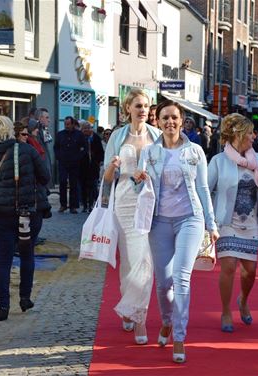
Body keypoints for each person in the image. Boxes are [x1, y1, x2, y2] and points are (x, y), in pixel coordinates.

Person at [133, 100, 219, 363]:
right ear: (157, 121)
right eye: (165, 118)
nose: (170, 122)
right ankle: (167, 321)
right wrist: (137, 181)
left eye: (174, 118)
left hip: (189, 220)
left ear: (182, 121)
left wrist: (211, 224)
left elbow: (203, 189)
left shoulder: (195, 151)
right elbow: (141, 191)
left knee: (182, 279)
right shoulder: (149, 153)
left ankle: (179, 337)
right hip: (158, 221)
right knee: (163, 283)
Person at [208, 113, 258, 336]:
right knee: (228, 267)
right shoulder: (219, 161)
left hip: (249, 223)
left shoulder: (256, 159)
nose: (253, 136)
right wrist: (207, 220)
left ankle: (243, 300)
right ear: (238, 135)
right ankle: (226, 311)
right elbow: (206, 190)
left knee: (250, 272)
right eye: (249, 132)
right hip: (226, 222)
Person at [103, 89, 162, 344]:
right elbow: (105, 178)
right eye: (138, 105)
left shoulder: (157, 136)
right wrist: (113, 168)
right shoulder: (118, 136)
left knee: (146, 261)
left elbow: (164, 169)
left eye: (147, 106)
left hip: (150, 203)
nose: (143, 110)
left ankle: (140, 319)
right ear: (128, 108)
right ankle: (129, 306)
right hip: (124, 203)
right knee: (129, 262)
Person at [0, 115, 50, 321]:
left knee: (4, 260)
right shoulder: (27, 149)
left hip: (0, 215)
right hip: (29, 211)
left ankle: (3, 307)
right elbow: (45, 177)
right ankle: (25, 298)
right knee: (27, 255)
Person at [54, 116, 86, 213]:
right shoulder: (60, 134)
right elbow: (56, 147)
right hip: (63, 162)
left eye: (68, 124)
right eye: (65, 124)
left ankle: (73, 206)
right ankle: (63, 205)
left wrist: (78, 157)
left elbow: (84, 147)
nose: (67, 126)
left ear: (72, 124)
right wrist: (58, 156)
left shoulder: (79, 134)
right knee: (63, 182)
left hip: (74, 163)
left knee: (73, 184)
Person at [79, 121, 104, 212]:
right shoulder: (80, 138)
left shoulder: (96, 138)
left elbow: (100, 151)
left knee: (92, 186)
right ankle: (85, 205)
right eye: (84, 128)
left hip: (93, 166)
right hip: (83, 167)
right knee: (83, 186)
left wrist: (98, 160)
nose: (87, 130)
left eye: (88, 128)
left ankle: (91, 203)